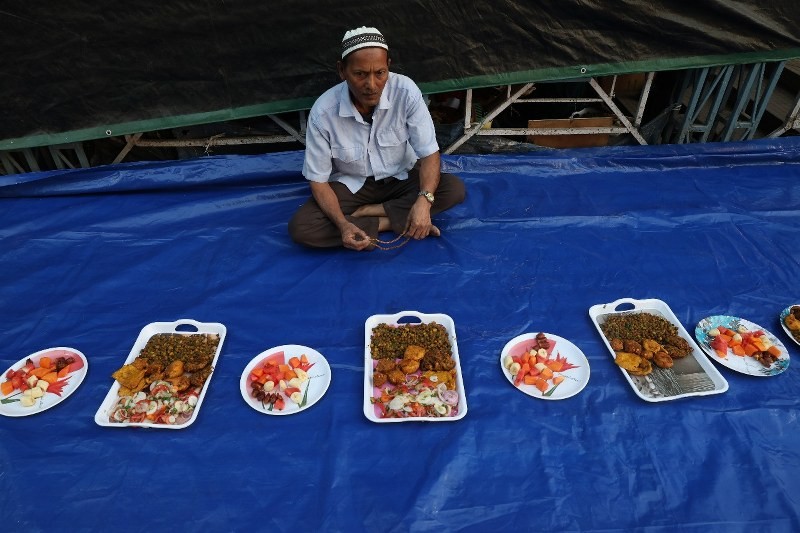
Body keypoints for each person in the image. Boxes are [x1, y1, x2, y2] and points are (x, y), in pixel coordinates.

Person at [288, 26, 466, 251]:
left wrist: (423, 201)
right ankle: (391, 221)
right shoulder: (323, 112)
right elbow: (318, 182)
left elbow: (430, 154)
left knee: (453, 189)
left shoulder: (406, 92)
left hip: (400, 178)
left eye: (379, 73)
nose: (371, 85)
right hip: (352, 185)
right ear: (342, 71)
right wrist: (343, 225)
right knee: (303, 227)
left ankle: (373, 213)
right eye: (360, 74)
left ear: (388, 67)